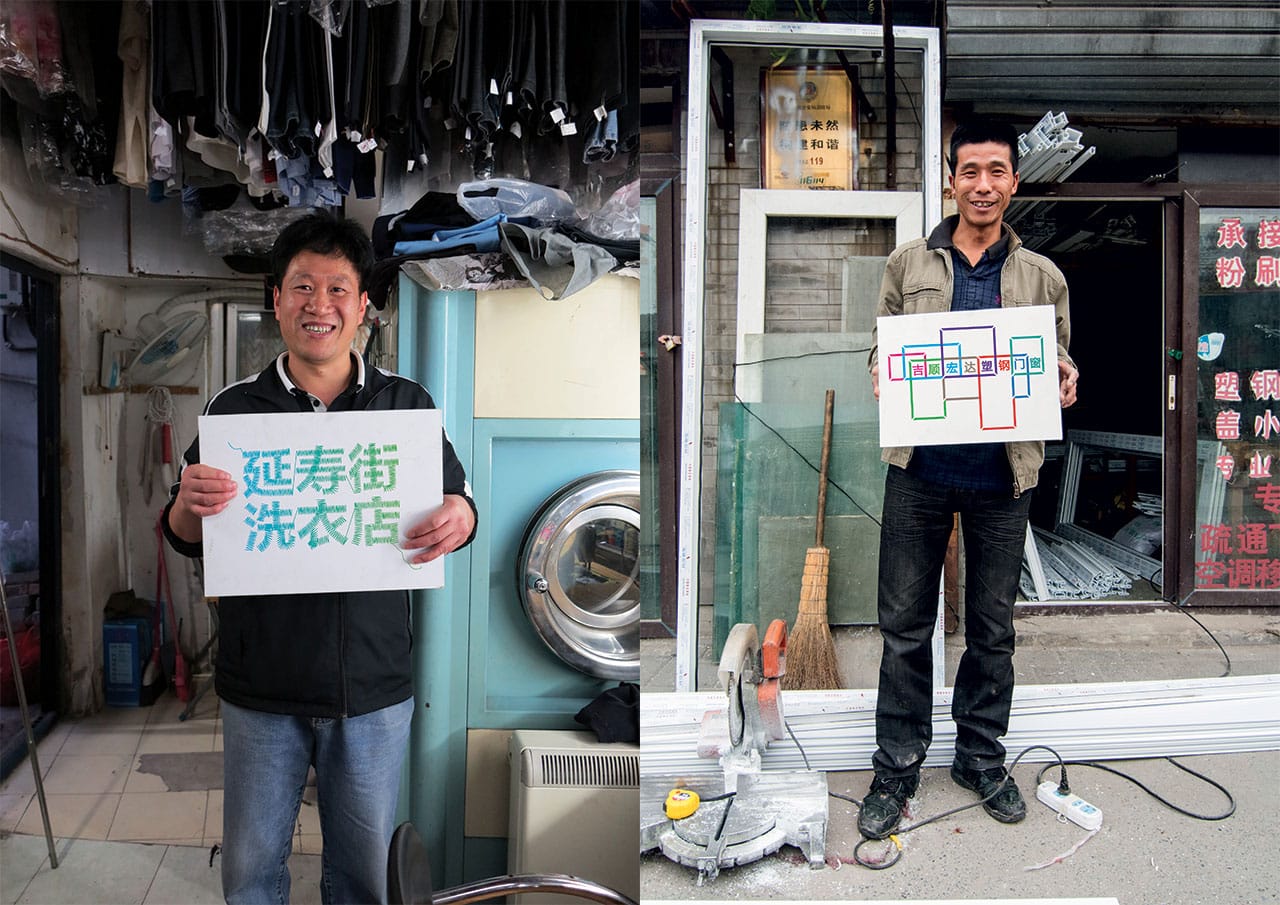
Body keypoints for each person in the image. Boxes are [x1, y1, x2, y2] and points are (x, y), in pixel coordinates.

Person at [163, 211, 477, 903]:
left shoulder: (406, 405)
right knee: (249, 872)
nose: (319, 305)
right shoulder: (234, 411)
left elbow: (460, 504)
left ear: (363, 305)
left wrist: (463, 514)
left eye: (338, 288)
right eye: (302, 286)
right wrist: (187, 500)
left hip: (371, 688)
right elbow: (186, 533)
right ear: (276, 298)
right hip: (261, 688)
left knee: (362, 876)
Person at [859, 119, 1079, 840]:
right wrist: (878, 370)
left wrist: (1064, 379)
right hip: (920, 470)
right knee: (903, 627)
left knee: (992, 629)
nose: (983, 184)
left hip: (1002, 477)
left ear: (1014, 181)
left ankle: (980, 757)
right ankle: (896, 763)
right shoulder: (907, 264)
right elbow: (881, 342)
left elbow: (1059, 362)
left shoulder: (1043, 276)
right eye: (969, 170)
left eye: (997, 171)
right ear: (950, 178)